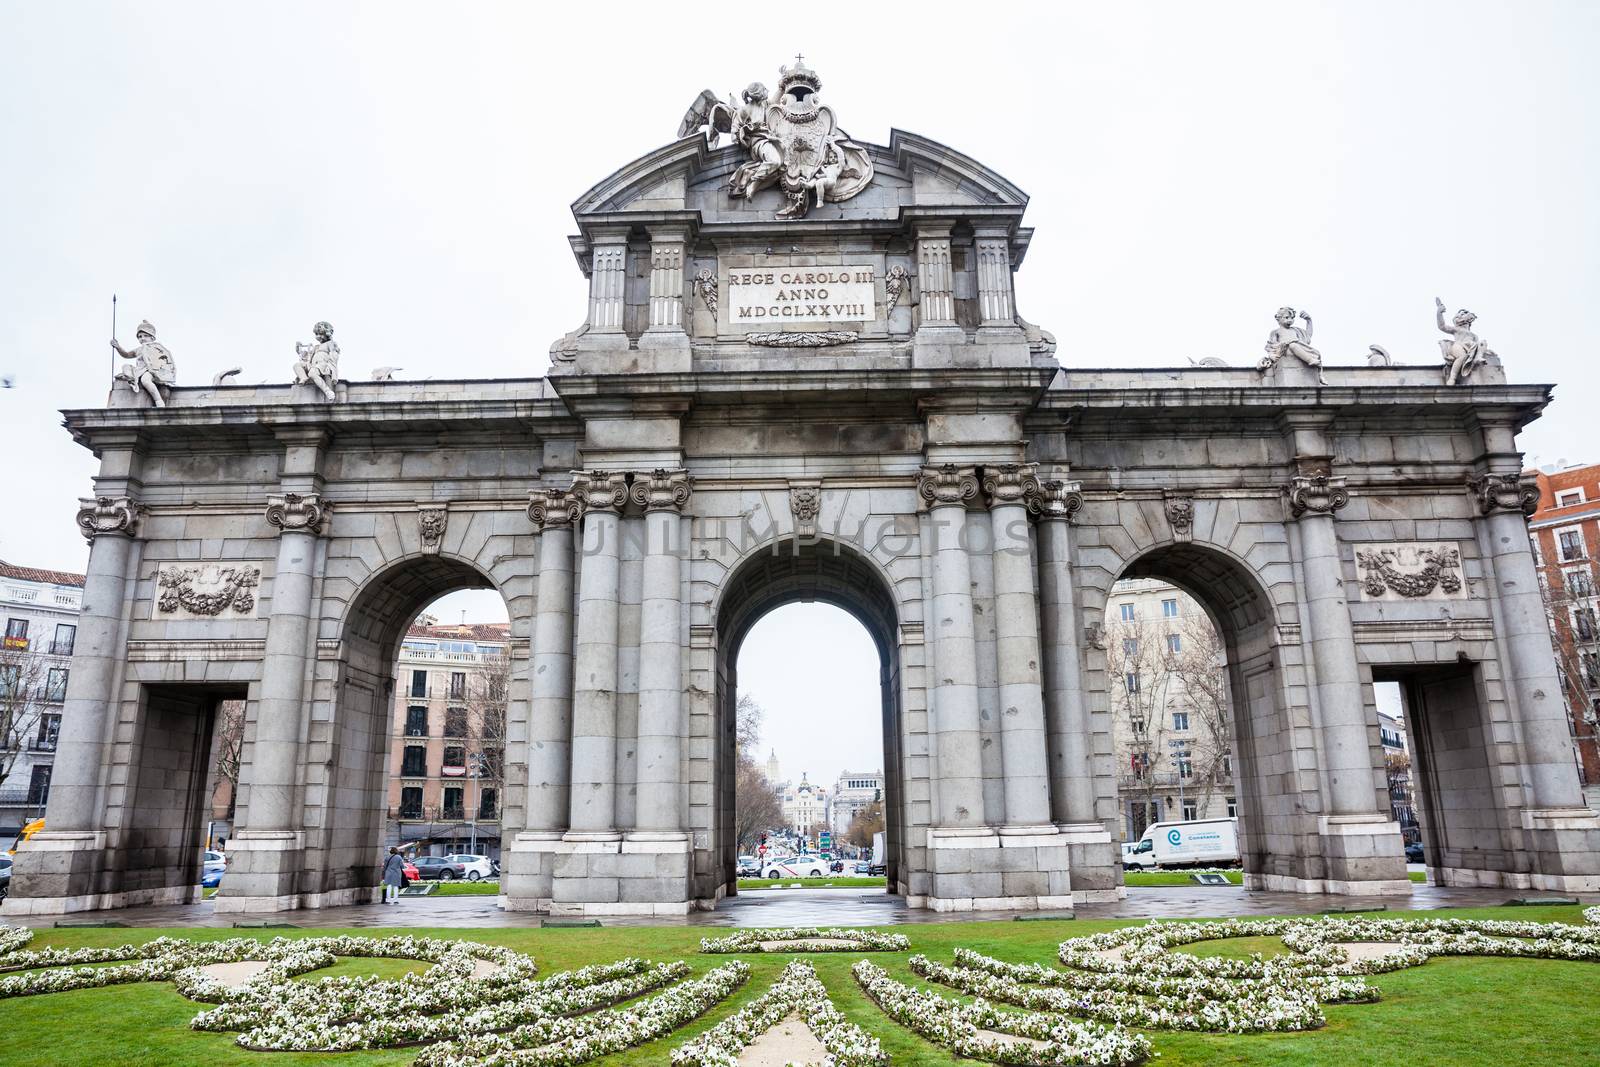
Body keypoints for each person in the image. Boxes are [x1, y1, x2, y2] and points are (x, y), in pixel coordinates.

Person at [110, 320, 176, 407]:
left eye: (145, 336)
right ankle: (131, 377)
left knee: (145, 380)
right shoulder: (139, 349)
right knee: (125, 366)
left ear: (152, 337)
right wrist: (118, 347)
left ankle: (158, 401)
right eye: (140, 336)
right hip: (139, 369)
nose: (142, 338)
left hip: (150, 371)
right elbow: (126, 354)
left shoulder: (157, 348)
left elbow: (163, 361)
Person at [1259, 306, 1327, 385]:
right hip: (1285, 351)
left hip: (1299, 348)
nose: (1290, 320)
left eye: (1292, 318)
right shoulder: (1275, 332)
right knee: (1292, 345)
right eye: (1286, 317)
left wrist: (1309, 321)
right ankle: (1310, 360)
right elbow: (1271, 346)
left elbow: (1308, 336)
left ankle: (1319, 373)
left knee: (1303, 348)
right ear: (1278, 319)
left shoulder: (1295, 330)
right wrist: (1271, 355)